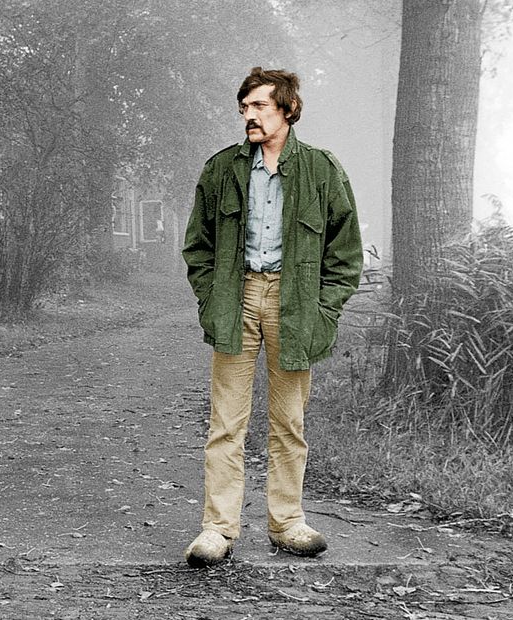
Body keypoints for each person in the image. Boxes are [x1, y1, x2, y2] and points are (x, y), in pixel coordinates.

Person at [180, 67, 363, 566]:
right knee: (226, 422)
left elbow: (346, 253)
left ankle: (287, 523)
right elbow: (198, 246)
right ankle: (218, 529)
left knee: (288, 421)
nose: (249, 115)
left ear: (288, 109)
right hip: (235, 298)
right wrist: (211, 298)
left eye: (259, 105)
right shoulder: (222, 169)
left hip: (296, 303)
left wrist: (324, 310)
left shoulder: (322, 169)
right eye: (245, 107)